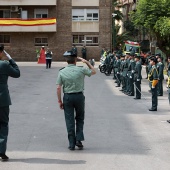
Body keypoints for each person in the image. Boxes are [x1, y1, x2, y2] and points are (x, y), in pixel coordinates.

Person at [56, 51, 96, 150]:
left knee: (69, 120)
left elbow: (58, 88)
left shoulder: (62, 71)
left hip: (68, 97)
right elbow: (94, 71)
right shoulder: (81, 70)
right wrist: (87, 62)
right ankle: (79, 139)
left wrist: (59, 101)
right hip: (79, 97)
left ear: (66, 60)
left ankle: (71, 143)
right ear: (75, 60)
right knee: (79, 118)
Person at [0, 44, 20, 160]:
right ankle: (1, 151)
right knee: (3, 124)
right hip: (2, 99)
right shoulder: (4, 64)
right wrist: (11, 59)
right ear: (2, 52)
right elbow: (17, 73)